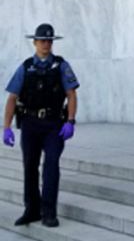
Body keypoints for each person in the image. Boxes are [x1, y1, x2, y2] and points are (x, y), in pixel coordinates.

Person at [3, 23, 79, 228]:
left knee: (51, 166)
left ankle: (49, 212)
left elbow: (71, 94)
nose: (46, 44)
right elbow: (12, 97)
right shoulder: (26, 67)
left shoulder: (61, 66)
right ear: (35, 42)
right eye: (42, 40)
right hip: (30, 124)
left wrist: (71, 121)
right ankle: (31, 209)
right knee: (29, 166)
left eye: (49, 41)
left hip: (53, 124)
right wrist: (7, 127)